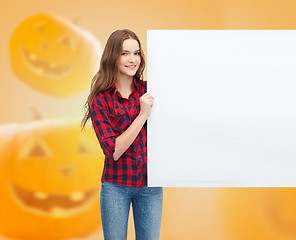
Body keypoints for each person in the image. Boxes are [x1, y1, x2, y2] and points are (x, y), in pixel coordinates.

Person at [81, 29, 163, 240]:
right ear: (112, 56)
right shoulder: (101, 100)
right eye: (125, 53)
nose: (132, 59)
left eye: (136, 53)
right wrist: (143, 114)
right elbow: (113, 150)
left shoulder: (150, 91)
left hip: (150, 186)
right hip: (115, 187)